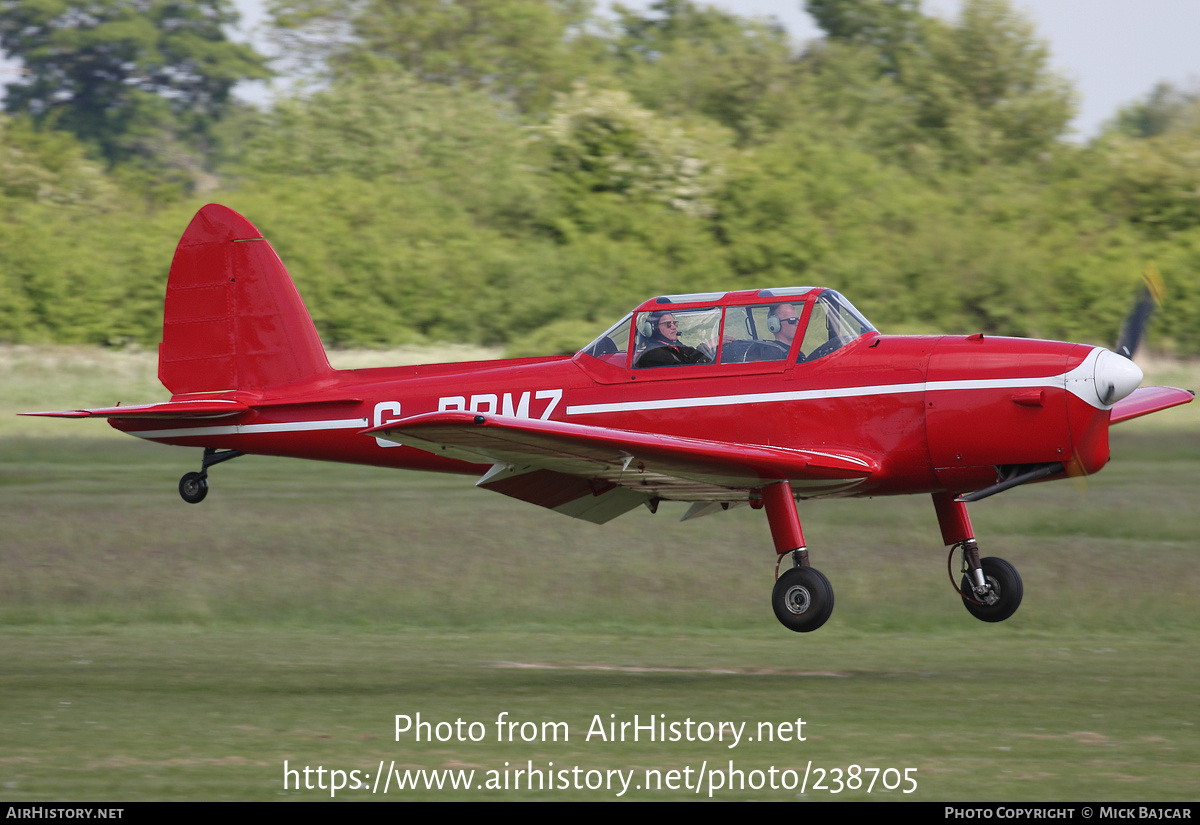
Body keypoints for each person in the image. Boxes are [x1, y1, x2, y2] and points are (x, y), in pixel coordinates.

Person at [634, 311, 711, 368]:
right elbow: (683, 371)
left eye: (675, 323)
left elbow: (695, 356)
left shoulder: (677, 346)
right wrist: (709, 344)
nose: (674, 327)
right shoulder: (653, 353)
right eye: (668, 324)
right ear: (653, 328)